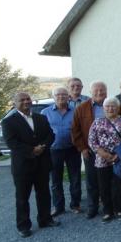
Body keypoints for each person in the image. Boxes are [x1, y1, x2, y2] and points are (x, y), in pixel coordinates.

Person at [2, 92, 60, 237]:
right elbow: (12, 142)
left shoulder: (41, 117)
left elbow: (50, 135)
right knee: (22, 197)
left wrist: (43, 147)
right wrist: (31, 151)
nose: (26, 102)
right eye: (22, 100)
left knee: (44, 193)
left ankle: (45, 219)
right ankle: (23, 226)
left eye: (28, 99)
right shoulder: (8, 122)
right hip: (23, 165)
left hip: (42, 162)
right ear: (15, 103)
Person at [71, 81, 119, 219]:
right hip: (91, 151)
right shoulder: (81, 108)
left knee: (112, 180)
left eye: (102, 90)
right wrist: (82, 148)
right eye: (96, 91)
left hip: (114, 153)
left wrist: (120, 151)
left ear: (106, 91)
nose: (99, 93)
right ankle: (93, 207)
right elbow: (75, 131)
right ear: (91, 92)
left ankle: (112, 207)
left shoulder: (114, 105)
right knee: (92, 181)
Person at [88, 97, 121, 222]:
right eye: (107, 106)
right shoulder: (97, 122)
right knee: (104, 186)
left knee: (119, 184)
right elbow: (92, 141)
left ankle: (120, 210)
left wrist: (118, 155)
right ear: (103, 108)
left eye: (113, 106)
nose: (110, 108)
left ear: (118, 107)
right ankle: (108, 211)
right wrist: (102, 153)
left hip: (119, 159)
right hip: (102, 159)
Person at [42, 87, 81, 215]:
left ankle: (75, 205)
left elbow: (80, 129)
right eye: (58, 95)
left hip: (72, 149)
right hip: (54, 150)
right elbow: (41, 132)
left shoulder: (76, 111)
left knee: (75, 178)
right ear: (54, 97)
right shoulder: (45, 112)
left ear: (68, 96)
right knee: (55, 180)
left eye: (64, 94)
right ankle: (58, 207)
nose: (61, 97)